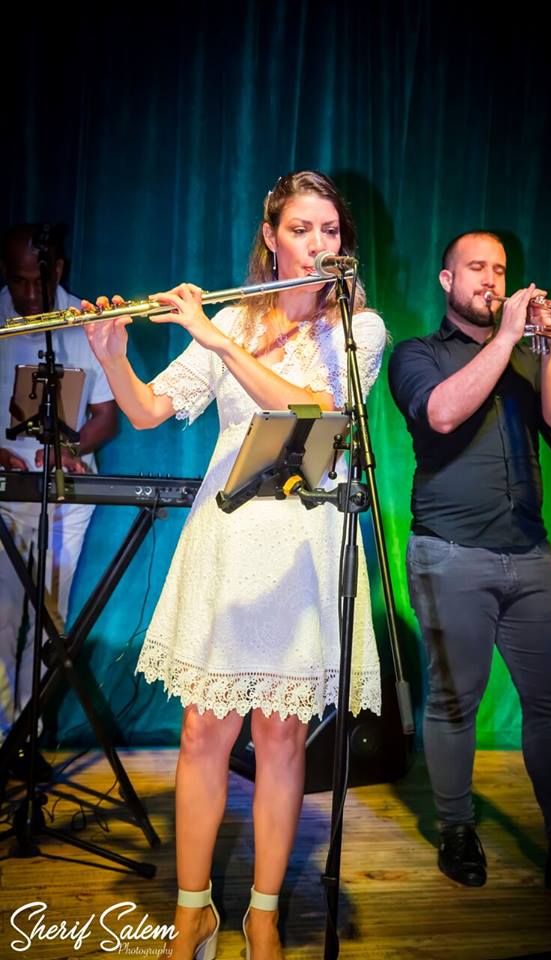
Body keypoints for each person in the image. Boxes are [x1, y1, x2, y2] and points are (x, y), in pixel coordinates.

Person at [84, 171, 386, 960]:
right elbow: (148, 410)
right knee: (200, 733)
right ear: (270, 238)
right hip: (226, 540)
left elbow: (311, 414)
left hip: (301, 546)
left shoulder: (359, 331)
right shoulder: (232, 318)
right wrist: (112, 355)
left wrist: (221, 343)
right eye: (301, 229)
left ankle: (262, 913)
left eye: (330, 231)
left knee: (280, 741)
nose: (317, 244)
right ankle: (193, 912)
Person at [388, 230, 551, 914]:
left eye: (499, 269)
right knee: (453, 703)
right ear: (447, 280)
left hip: (530, 553)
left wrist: (548, 344)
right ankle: (456, 830)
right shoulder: (417, 354)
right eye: (476, 267)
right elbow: (440, 414)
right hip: (449, 553)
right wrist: (505, 337)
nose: (490, 280)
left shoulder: (528, 353)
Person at [0, 224, 118, 775]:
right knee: (3, 615)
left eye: (38, 281)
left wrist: (69, 448)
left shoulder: (81, 321)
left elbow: (106, 417)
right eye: (17, 281)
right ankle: (2, 737)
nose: (29, 294)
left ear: (59, 271)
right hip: (6, 495)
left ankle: (26, 737)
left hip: (66, 495)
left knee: (51, 619)